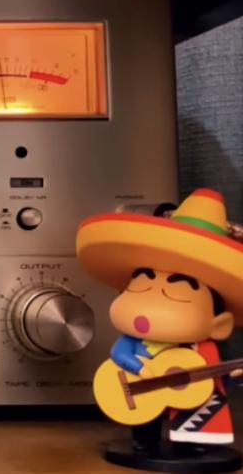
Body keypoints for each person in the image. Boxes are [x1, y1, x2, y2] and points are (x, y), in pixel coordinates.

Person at [77, 188, 243, 470]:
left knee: (194, 404)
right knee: (146, 420)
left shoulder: (201, 352)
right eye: (141, 288)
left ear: (219, 325)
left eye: (172, 297)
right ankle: (144, 441)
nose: (147, 310)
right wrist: (140, 369)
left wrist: (233, 378)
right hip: (140, 394)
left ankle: (189, 444)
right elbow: (120, 353)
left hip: (186, 398)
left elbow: (211, 382)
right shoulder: (134, 341)